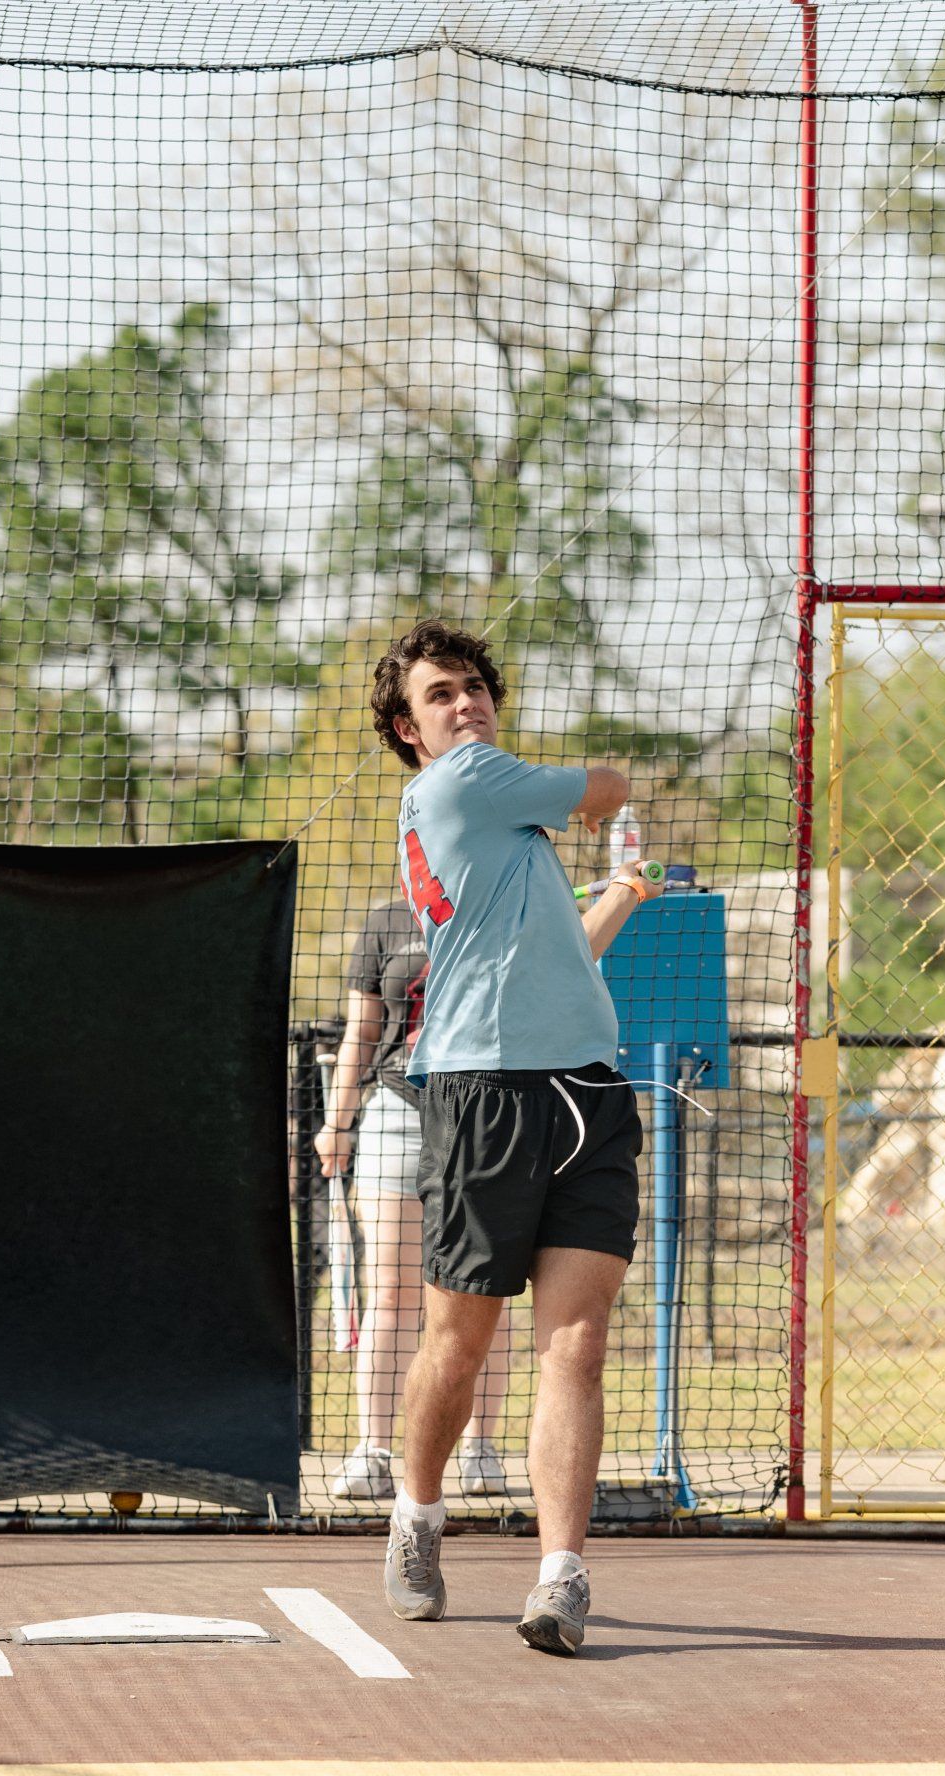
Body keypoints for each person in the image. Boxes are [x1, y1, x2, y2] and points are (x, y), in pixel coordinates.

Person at [370, 617, 658, 1656]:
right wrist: (605, 794)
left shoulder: (508, 829)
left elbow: (564, 959)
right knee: (462, 1339)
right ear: (409, 729)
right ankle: (417, 1511)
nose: (467, 702)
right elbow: (609, 785)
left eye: (476, 687)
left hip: (586, 1089)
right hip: (485, 1093)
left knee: (576, 1344)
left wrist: (622, 893)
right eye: (441, 693)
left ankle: (561, 1574)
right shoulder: (461, 782)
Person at [313, 895, 509, 1503]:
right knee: (393, 1288)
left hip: (488, 1113)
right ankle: (373, 1451)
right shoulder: (386, 919)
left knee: (485, 1286)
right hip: (398, 1110)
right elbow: (364, 1031)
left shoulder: (506, 899)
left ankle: (479, 1450)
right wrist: (337, 1121)